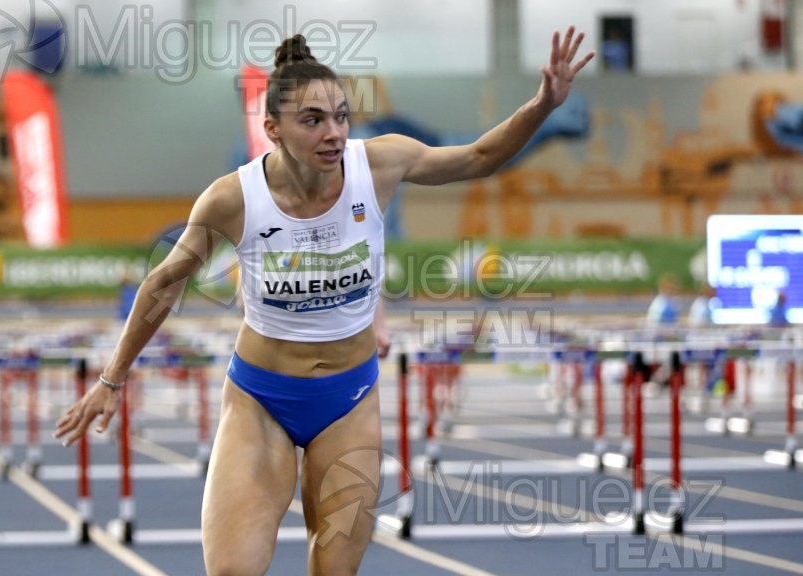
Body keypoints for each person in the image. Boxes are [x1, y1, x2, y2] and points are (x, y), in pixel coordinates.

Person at [54, 28, 594, 575]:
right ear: (273, 130)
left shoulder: (378, 165)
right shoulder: (233, 198)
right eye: (312, 120)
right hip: (261, 401)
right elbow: (162, 284)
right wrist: (111, 380)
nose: (333, 132)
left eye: (341, 115)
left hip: (349, 399)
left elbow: (480, 156)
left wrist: (543, 103)